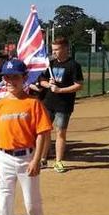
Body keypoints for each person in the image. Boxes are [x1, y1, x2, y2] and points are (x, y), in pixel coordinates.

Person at [0, 59, 51, 215]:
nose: (10, 80)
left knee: (32, 202)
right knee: (4, 201)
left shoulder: (33, 103)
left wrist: (37, 159)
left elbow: (42, 133)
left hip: (27, 157)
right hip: (4, 157)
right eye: (6, 77)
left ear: (25, 78)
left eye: (15, 76)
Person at [38, 37, 84, 173]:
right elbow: (42, 80)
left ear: (65, 49)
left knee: (60, 132)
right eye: (53, 50)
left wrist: (61, 90)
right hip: (48, 102)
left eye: (57, 49)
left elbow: (79, 85)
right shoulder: (50, 64)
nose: (54, 52)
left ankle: (58, 161)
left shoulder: (74, 65)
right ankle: (42, 159)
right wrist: (49, 84)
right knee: (44, 131)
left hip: (64, 105)